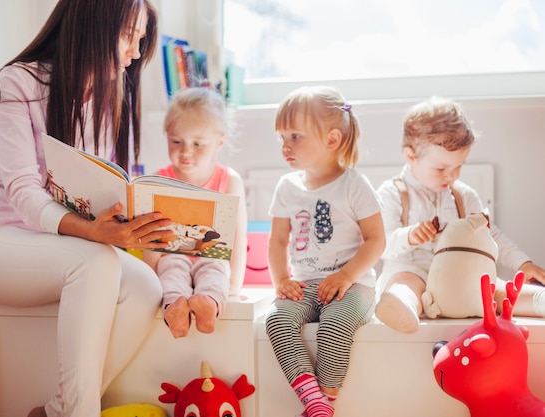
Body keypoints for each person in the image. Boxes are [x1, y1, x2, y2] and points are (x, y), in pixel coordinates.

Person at [0, 1, 176, 416]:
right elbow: (23, 191)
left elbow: (94, 192)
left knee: (145, 286)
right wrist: (94, 233)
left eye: (141, 40)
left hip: (62, 249)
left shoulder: (108, 98)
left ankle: (61, 409)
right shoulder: (16, 83)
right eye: (129, 36)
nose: (134, 52)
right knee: (94, 262)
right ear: (94, 24)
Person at [374, 96, 545, 334]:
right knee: (404, 281)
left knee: (494, 287)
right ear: (410, 156)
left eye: (459, 167)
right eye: (441, 169)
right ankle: (404, 308)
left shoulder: (463, 195)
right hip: (414, 272)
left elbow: (491, 236)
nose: (451, 176)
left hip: (459, 279)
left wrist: (522, 263)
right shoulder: (392, 192)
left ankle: (539, 300)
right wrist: (410, 236)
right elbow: (382, 245)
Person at [264, 86, 385, 417]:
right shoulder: (286, 188)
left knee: (334, 326)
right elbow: (277, 241)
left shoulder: (354, 184)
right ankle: (313, 400)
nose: (286, 146)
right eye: (282, 138)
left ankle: (325, 403)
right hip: (304, 285)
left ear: (332, 140)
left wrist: (346, 275)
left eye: (296, 137)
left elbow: (376, 239)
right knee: (276, 320)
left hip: (351, 285)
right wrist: (281, 280)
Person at [142, 87, 248, 338]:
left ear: (219, 142)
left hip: (213, 256)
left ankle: (209, 304)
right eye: (176, 141)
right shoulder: (159, 180)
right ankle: (175, 309)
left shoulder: (229, 180)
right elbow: (150, 237)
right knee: (172, 271)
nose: (185, 151)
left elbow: (237, 236)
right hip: (170, 256)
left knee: (215, 270)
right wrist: (151, 277)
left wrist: (233, 286)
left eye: (198, 144)